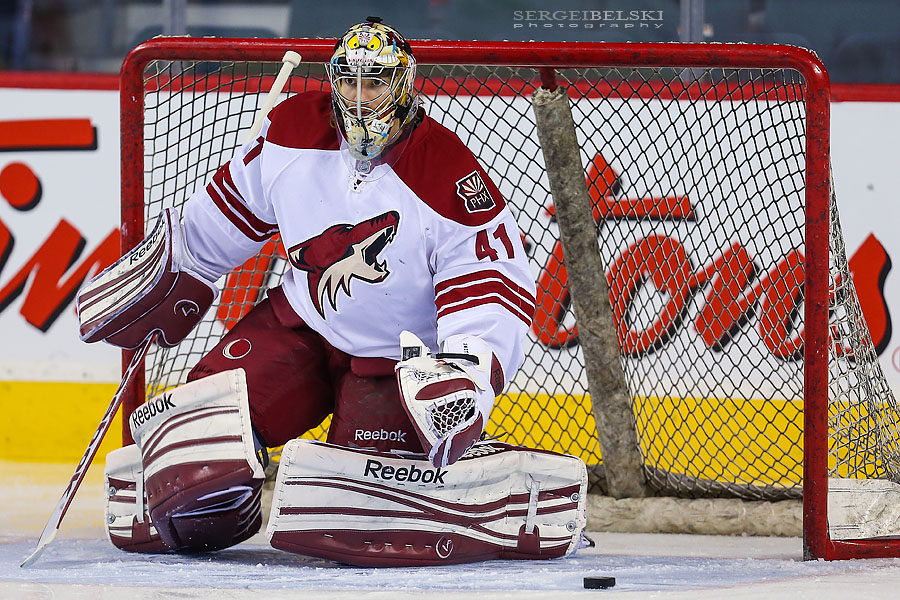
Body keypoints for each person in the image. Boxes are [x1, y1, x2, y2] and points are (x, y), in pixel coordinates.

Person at [80, 17, 586, 566]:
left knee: (353, 501)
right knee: (200, 441)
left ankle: (493, 491)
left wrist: (467, 367)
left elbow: (492, 285)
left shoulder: (448, 171)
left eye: (376, 82)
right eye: (349, 81)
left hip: (392, 362)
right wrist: (176, 269)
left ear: (405, 85)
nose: (361, 97)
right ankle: (196, 495)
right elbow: (223, 215)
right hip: (300, 325)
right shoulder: (294, 130)